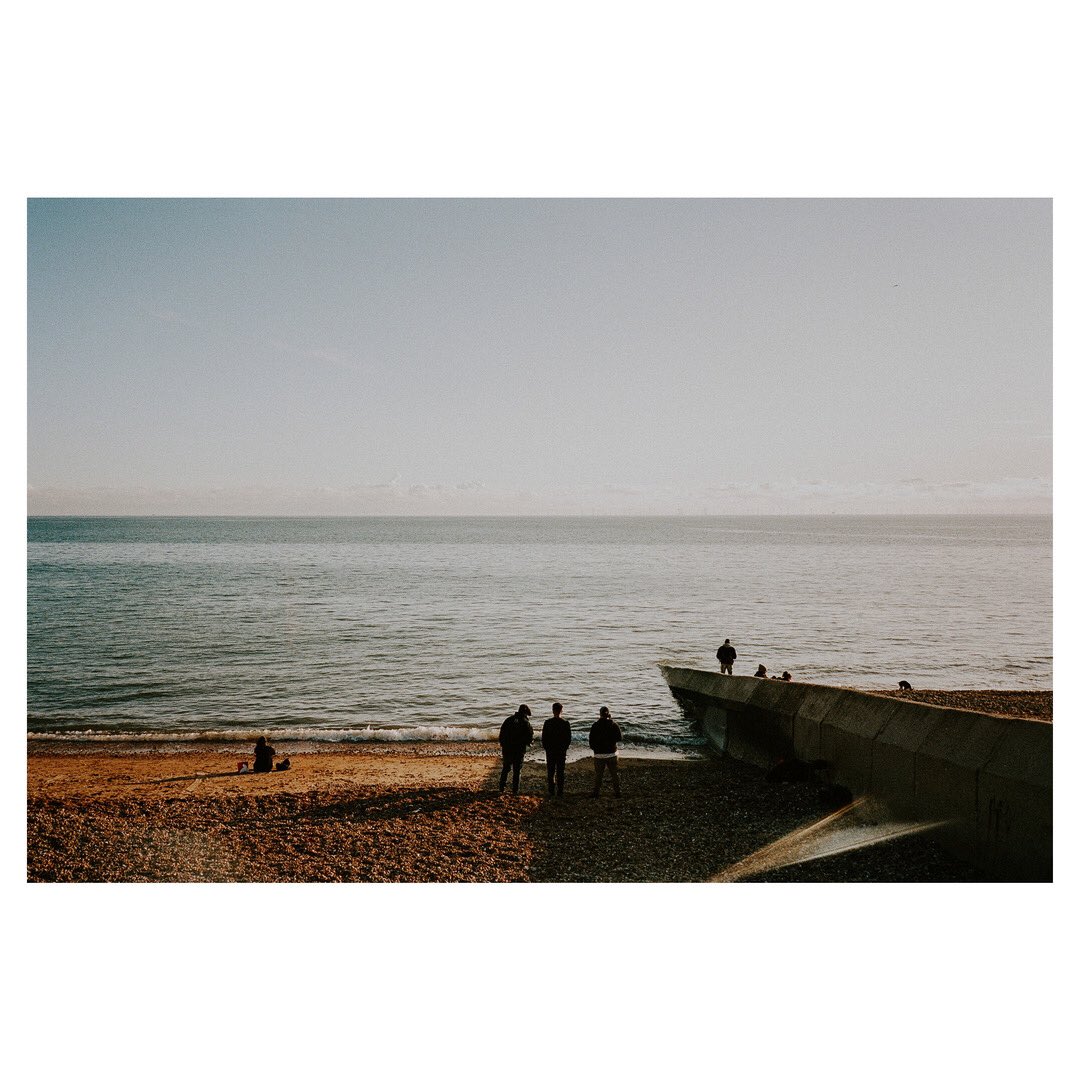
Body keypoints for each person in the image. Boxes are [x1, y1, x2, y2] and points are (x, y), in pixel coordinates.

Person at [498, 704, 534, 794]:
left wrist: (503, 745)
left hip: (507, 749)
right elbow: (529, 737)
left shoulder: (508, 720)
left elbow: (501, 734)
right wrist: (529, 743)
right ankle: (515, 790)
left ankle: (501, 787)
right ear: (525, 713)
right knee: (517, 771)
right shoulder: (525, 722)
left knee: (506, 768)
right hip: (519, 750)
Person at [588, 706, 622, 797]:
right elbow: (619, 738)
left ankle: (596, 793)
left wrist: (595, 749)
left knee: (599, 775)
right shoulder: (613, 724)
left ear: (600, 714)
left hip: (599, 755)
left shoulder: (595, 725)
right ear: (608, 714)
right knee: (614, 774)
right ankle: (617, 792)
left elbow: (591, 740)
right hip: (612, 753)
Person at [541, 701, 572, 795]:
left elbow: (544, 738)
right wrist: (565, 748)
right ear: (561, 710)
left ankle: (551, 790)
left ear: (553, 711)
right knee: (560, 771)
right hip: (561, 750)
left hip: (550, 750)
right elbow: (568, 739)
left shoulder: (547, 723)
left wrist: (546, 748)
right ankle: (560, 791)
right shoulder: (565, 723)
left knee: (551, 771)